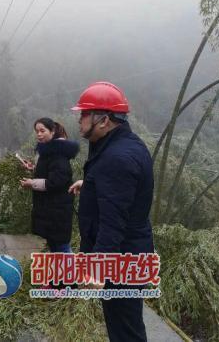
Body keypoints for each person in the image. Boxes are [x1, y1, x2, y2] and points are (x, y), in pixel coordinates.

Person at [68, 81, 154, 342]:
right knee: (125, 323)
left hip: (121, 259)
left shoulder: (116, 158)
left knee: (125, 330)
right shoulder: (124, 145)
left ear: (104, 120)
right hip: (131, 252)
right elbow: (122, 192)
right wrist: (92, 185)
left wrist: (98, 268)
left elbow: (112, 223)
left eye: (84, 114)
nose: (79, 119)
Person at [20, 118, 79, 254]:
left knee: (62, 247)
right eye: (37, 131)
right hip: (51, 210)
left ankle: (73, 274)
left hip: (58, 211)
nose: (39, 134)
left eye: (42, 131)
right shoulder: (48, 152)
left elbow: (56, 181)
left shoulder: (58, 154)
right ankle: (61, 274)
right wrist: (32, 168)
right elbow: (48, 172)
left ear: (52, 132)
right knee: (55, 246)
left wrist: (32, 183)